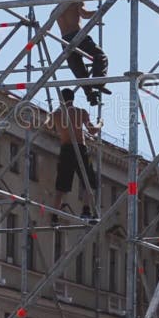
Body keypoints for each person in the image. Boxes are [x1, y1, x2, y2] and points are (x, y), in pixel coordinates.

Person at [46, 88, 102, 223]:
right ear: (73, 98)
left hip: (65, 149)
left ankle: (54, 215)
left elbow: (48, 125)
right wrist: (101, 123)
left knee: (61, 186)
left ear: (61, 99)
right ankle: (86, 211)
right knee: (88, 182)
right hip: (80, 148)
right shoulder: (80, 112)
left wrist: (51, 116)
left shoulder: (56, 114)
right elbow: (92, 130)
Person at [56, 0, 110, 106]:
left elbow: (48, 28)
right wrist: (99, 12)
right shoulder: (76, 1)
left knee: (78, 69)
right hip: (78, 36)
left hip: (64, 40)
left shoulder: (56, 9)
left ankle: (90, 95)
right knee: (100, 56)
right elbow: (84, 14)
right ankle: (98, 82)